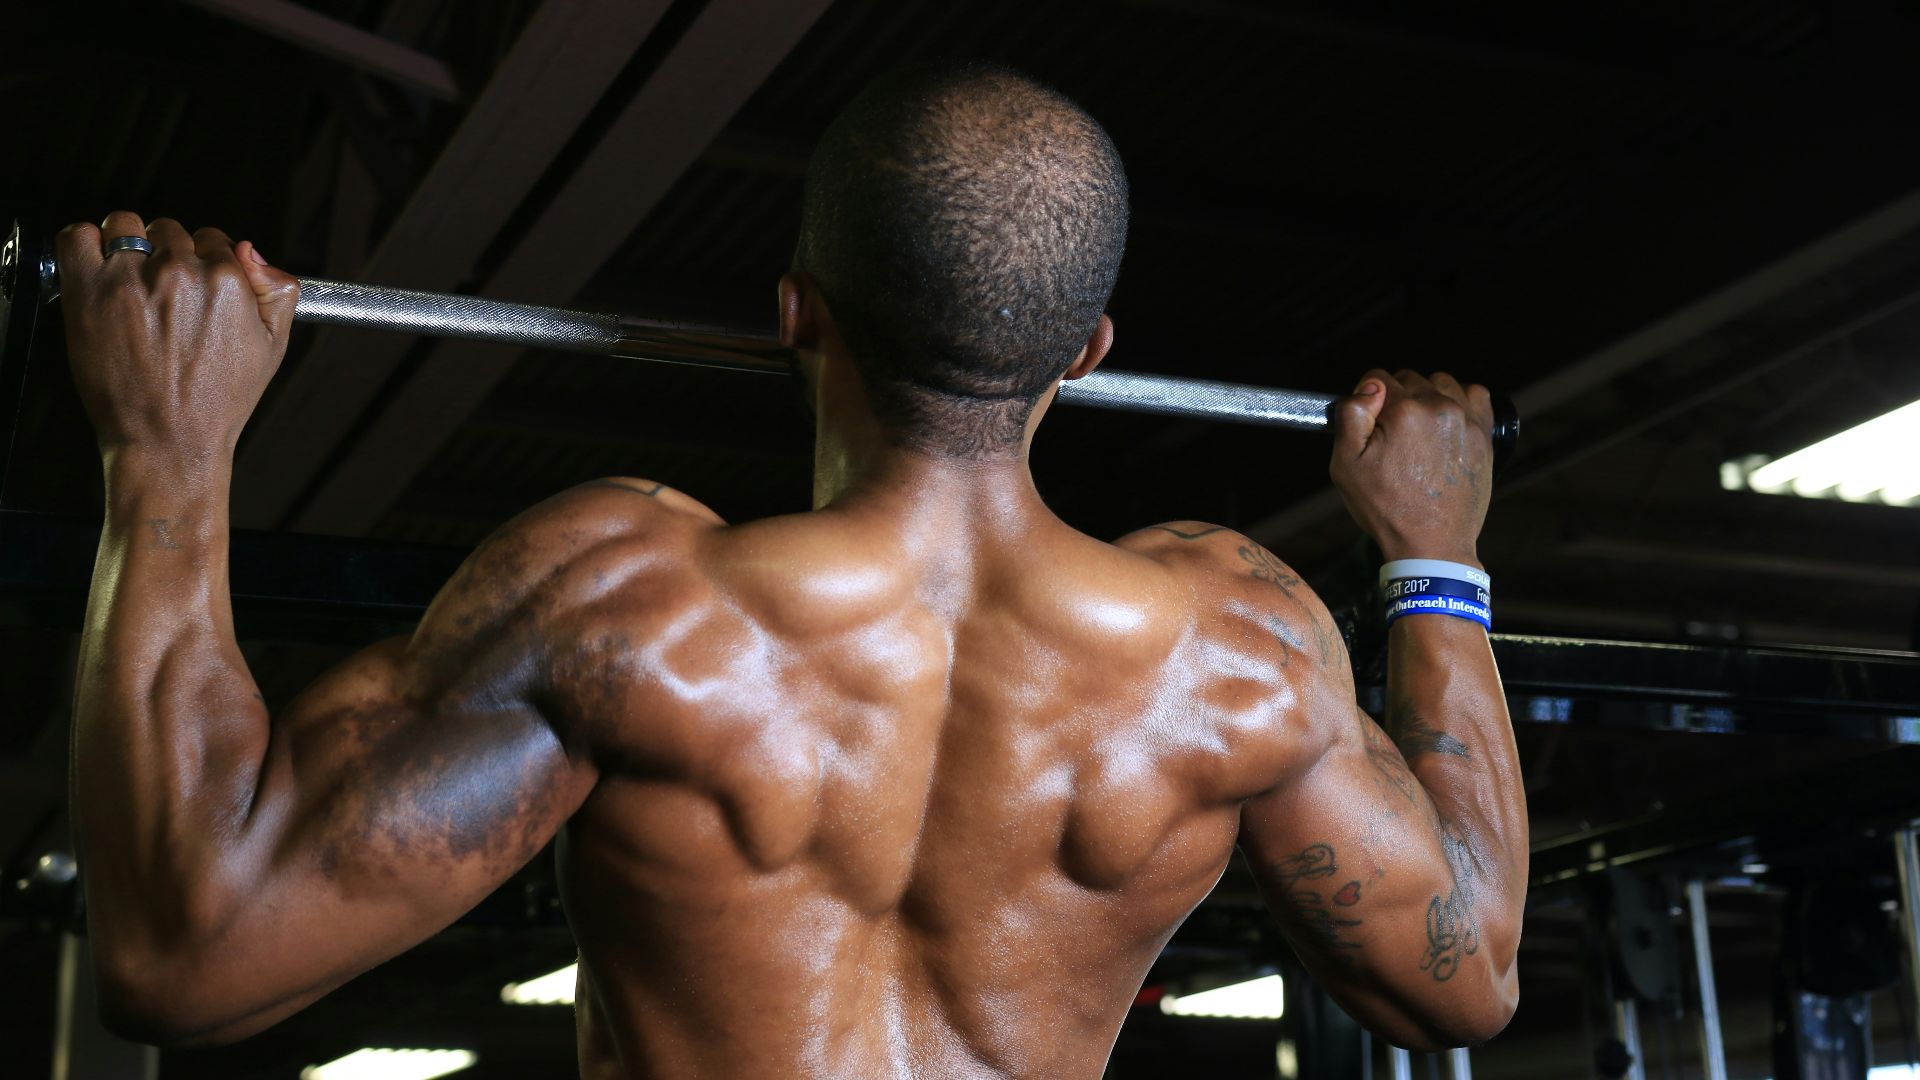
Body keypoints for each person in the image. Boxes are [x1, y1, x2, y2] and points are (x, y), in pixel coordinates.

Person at [59, 64, 1525, 1077]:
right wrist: (1435, 556)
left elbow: (186, 951)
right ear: (1088, 351)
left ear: (794, 313)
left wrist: (168, 451)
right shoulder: (1235, 649)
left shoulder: (633, 608)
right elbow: (1467, 978)